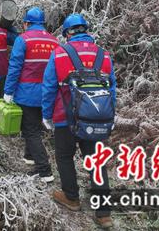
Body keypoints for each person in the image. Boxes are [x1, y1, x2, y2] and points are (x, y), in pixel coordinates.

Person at [41, 13, 116, 229]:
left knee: (64, 156)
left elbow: (49, 88)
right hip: (97, 118)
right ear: (86, 31)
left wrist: (46, 115)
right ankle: (104, 214)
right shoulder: (104, 55)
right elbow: (111, 89)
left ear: (67, 33)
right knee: (96, 162)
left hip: (64, 117)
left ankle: (71, 197)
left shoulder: (59, 53)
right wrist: (111, 115)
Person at [4, 7, 58, 183]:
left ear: (27, 23)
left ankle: (44, 171)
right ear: (42, 23)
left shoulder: (23, 39)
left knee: (31, 130)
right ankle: (30, 156)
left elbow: (14, 67)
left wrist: (8, 91)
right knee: (34, 127)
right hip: (48, 94)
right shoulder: (54, 41)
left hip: (27, 94)